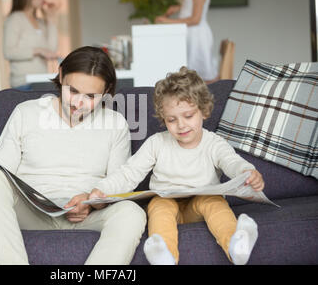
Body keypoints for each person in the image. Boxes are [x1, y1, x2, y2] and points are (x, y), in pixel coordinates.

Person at [0, 46, 146, 265]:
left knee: (131, 212)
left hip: (84, 215)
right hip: (31, 211)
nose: (77, 103)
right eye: (72, 91)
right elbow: (0, 171)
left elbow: (117, 186)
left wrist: (91, 203)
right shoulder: (27, 112)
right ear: (61, 75)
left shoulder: (115, 124)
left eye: (91, 96)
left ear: (107, 91)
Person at [89, 67, 264, 265]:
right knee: (158, 207)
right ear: (164, 119)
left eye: (188, 116)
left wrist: (246, 172)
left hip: (199, 204)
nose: (181, 125)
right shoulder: (157, 143)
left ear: (204, 111)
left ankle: (236, 246)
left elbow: (231, 161)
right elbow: (129, 173)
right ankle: (165, 258)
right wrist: (102, 190)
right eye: (172, 120)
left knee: (214, 202)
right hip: (166, 202)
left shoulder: (214, 143)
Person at [155, 0, 218, 84]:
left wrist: (168, 21)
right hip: (191, 36)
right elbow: (191, 6)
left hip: (198, 37)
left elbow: (195, 19)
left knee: (204, 74)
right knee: (193, 73)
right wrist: (178, 8)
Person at [3, 0, 59, 90]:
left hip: (40, 80)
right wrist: (37, 50)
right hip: (23, 83)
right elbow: (8, 52)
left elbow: (51, 51)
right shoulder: (15, 19)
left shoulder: (40, 22)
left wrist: (51, 20)